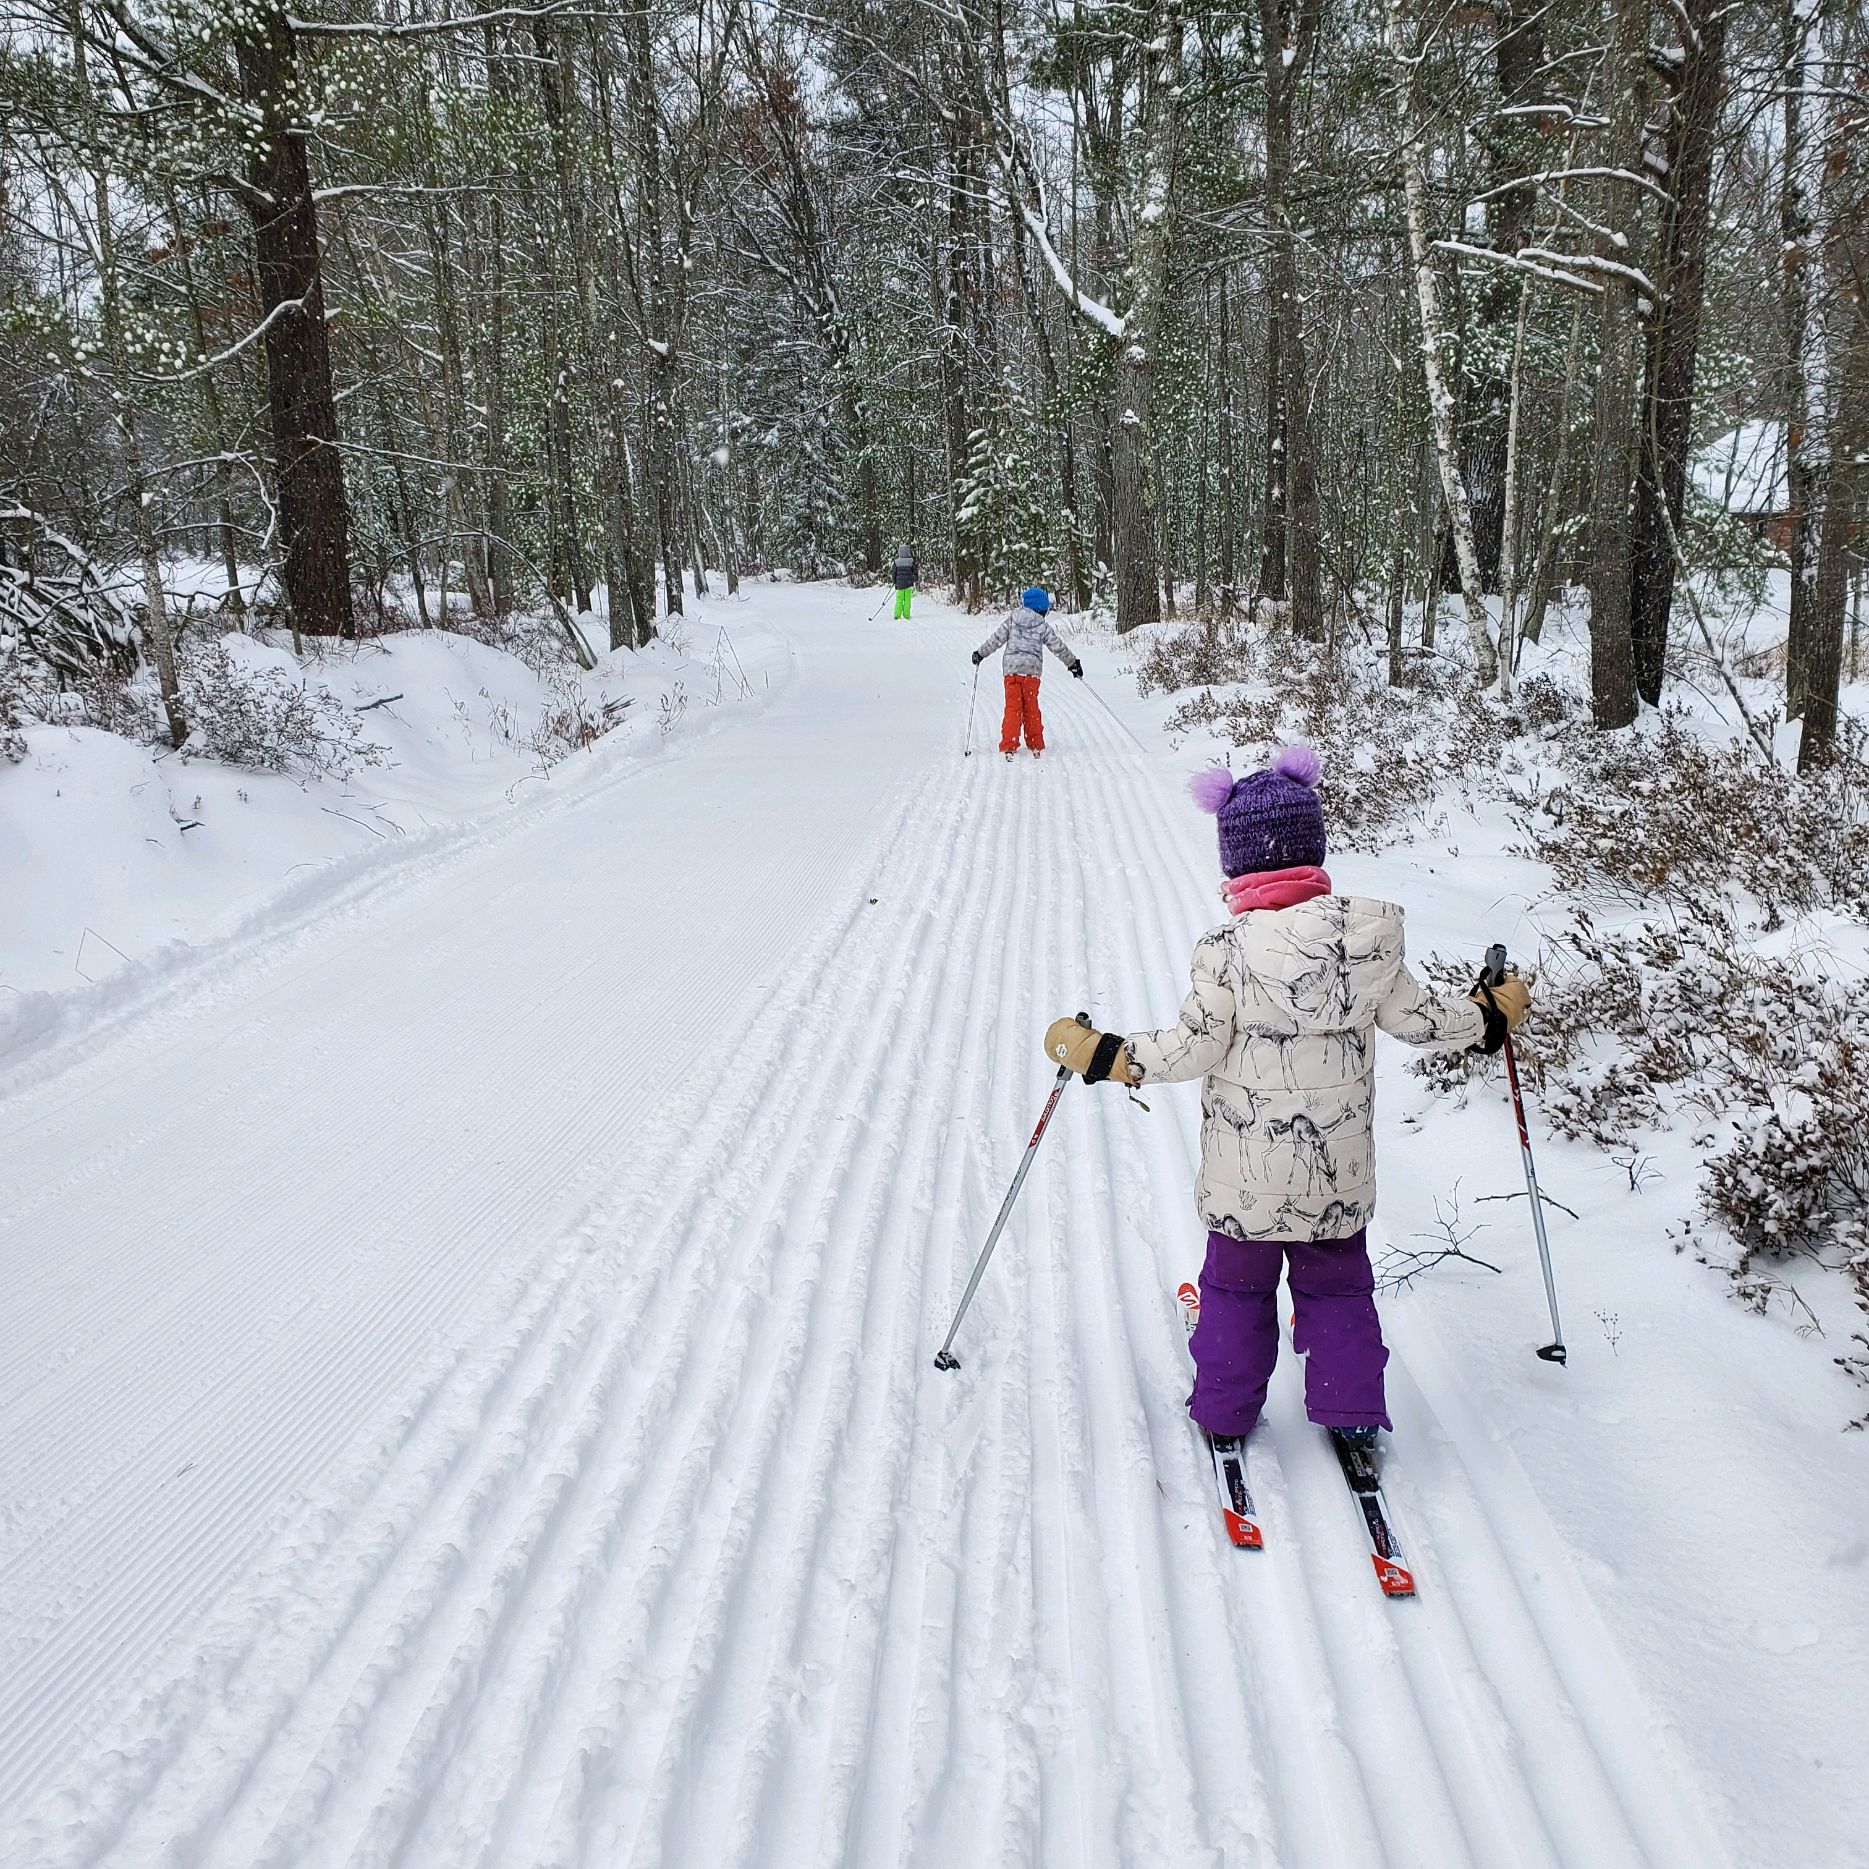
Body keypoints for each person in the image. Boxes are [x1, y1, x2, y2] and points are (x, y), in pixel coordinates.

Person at [1042, 745, 1529, 1451]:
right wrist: (1488, 1014)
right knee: (1336, 1294)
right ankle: (1351, 1413)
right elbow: (1420, 1020)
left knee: (1235, 1294)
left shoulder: (1225, 950)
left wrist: (1103, 1053)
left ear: (1234, 863)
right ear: (1313, 849)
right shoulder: (1364, 945)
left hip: (1246, 1184)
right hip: (1334, 1177)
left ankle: (1223, 1413)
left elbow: (1192, 1047)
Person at [971, 586, 1083, 760]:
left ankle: (1009, 743)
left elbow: (996, 639)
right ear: (1041, 608)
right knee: (1031, 708)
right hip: (1031, 673)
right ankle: (1035, 742)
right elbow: (1057, 646)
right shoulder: (1042, 625)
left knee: (1013, 708)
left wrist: (980, 653)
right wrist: (1072, 663)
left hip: (1012, 671)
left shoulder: (1013, 620)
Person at [891, 542, 917, 619]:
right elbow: (915, 571)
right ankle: (906, 614)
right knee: (907, 600)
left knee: (899, 599)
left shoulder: (896, 562)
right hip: (909, 584)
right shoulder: (911, 561)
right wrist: (915, 579)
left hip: (899, 585)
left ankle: (897, 614)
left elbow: (893, 573)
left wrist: (894, 582)